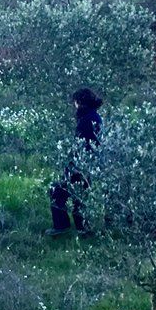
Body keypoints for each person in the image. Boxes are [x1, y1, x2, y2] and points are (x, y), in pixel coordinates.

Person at [45, 87, 103, 237]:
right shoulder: (93, 117)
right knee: (79, 197)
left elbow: (83, 146)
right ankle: (83, 230)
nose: (74, 105)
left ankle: (62, 226)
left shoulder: (87, 120)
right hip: (88, 165)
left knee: (57, 191)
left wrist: (72, 165)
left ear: (80, 102)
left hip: (80, 165)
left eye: (75, 102)